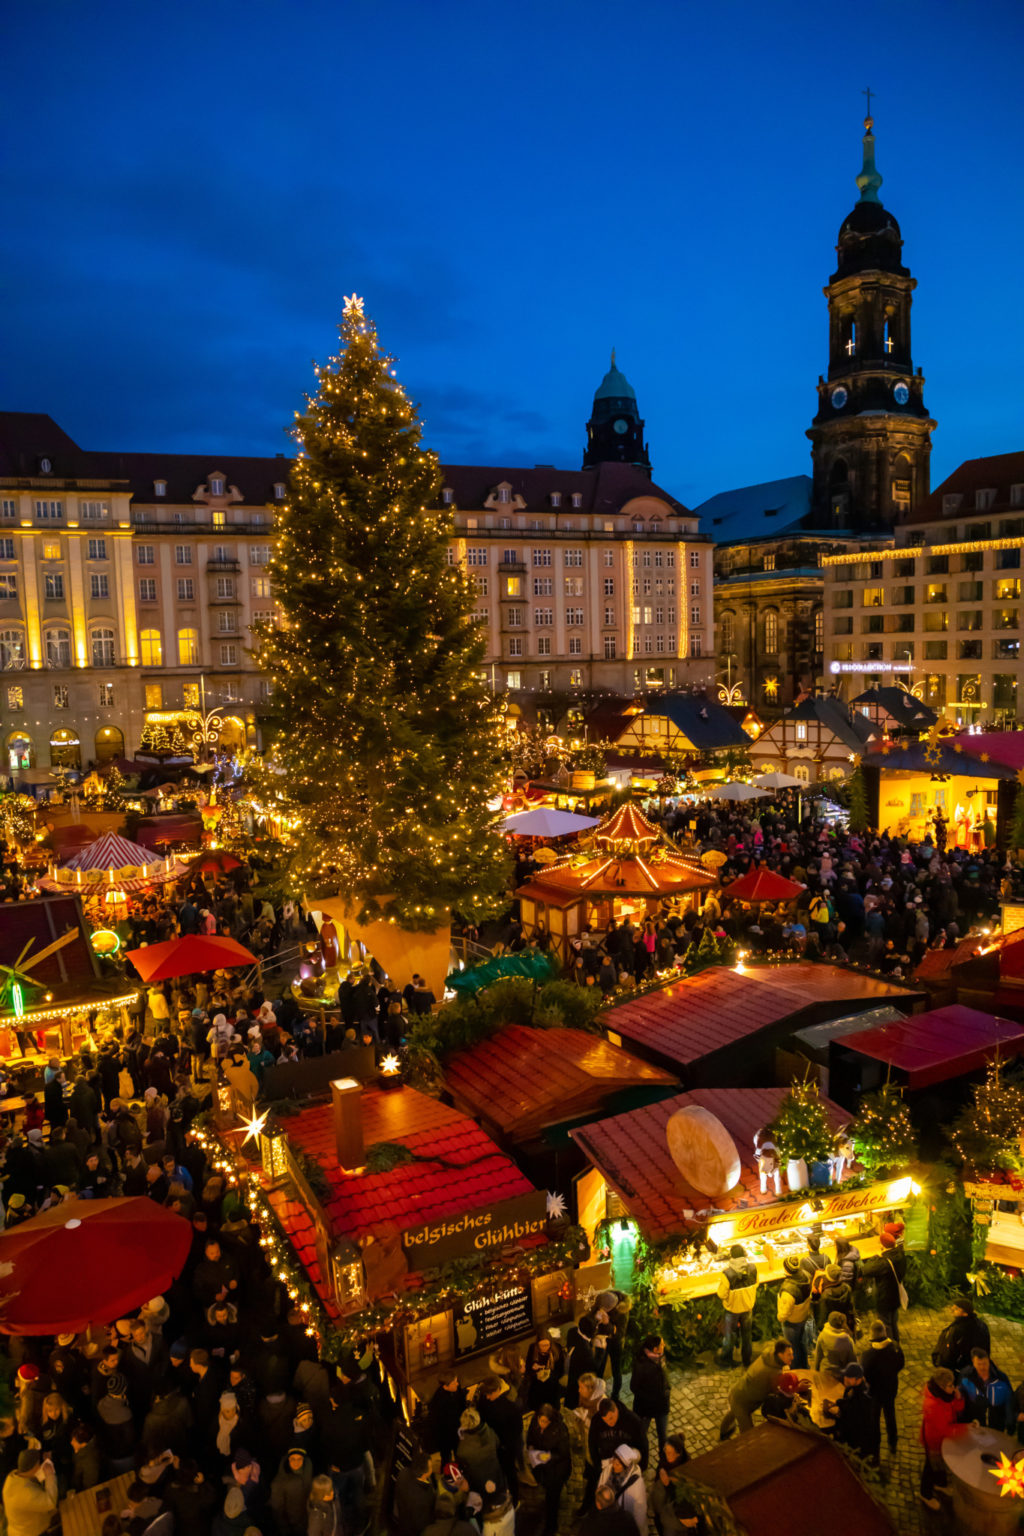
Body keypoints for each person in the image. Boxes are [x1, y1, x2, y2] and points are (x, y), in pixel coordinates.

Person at [719, 1339, 794, 1438]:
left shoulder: (769, 1355)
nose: (792, 1357)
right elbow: (779, 1391)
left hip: (738, 1391)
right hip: (743, 1403)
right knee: (748, 1435)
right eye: (789, 1355)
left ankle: (723, 1432)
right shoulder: (772, 1372)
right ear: (780, 1354)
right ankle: (726, 1436)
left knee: (733, 1410)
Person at [919, 1368, 963, 1511]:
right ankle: (925, 1494)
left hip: (942, 1440)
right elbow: (944, 1429)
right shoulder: (933, 1405)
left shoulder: (945, 1396)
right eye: (951, 1386)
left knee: (939, 1464)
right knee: (930, 1467)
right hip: (934, 1441)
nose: (953, 1387)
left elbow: (955, 1408)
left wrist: (958, 1399)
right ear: (941, 1387)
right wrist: (965, 1430)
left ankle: (940, 1484)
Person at [525, 1402, 571, 1536]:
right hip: (542, 1468)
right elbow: (530, 1437)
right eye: (540, 1420)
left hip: (556, 1471)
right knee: (546, 1489)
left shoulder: (560, 1430)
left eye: (545, 1422)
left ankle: (552, 1525)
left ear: (551, 1421)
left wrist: (548, 1456)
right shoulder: (535, 1422)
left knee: (553, 1498)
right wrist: (531, 1448)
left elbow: (563, 1453)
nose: (541, 1424)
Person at [860, 1320, 904, 1455]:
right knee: (890, 1415)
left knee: (874, 1420)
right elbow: (901, 1364)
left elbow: (865, 1375)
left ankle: (875, 1449)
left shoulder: (867, 1355)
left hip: (875, 1393)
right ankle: (893, 1443)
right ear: (884, 1332)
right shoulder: (895, 1348)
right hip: (890, 1389)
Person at [715, 1245, 757, 1369]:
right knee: (747, 1335)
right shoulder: (753, 1269)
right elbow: (756, 1284)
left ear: (732, 1256)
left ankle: (726, 1360)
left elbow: (722, 1294)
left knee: (730, 1335)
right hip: (748, 1308)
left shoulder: (727, 1274)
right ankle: (747, 1360)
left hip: (732, 1310)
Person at [824, 1364, 876, 1462]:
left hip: (855, 1438)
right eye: (846, 1376)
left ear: (858, 1379)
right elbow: (849, 1400)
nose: (846, 1378)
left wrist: (837, 1431)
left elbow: (853, 1418)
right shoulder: (854, 1388)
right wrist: (837, 1402)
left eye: (849, 1377)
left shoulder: (864, 1398)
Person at [862, 1230, 907, 1344]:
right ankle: (897, 1341)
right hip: (896, 1294)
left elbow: (865, 1270)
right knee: (893, 1320)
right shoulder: (900, 1254)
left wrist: (876, 1256)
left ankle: (891, 1346)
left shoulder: (883, 1262)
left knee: (886, 1323)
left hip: (884, 1297)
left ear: (883, 1245)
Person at [628, 1335, 671, 1454]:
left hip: (662, 1406)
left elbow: (664, 1376)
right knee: (641, 1435)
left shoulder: (660, 1357)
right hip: (645, 1408)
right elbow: (634, 1387)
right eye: (662, 1345)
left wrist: (667, 1389)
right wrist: (651, 1398)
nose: (664, 1346)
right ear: (655, 1349)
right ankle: (640, 1458)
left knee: (663, 1436)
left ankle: (664, 1461)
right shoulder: (641, 1365)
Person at [650, 1434, 699, 1534]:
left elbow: (680, 1496)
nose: (666, 1455)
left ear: (678, 1454)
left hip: (671, 1505)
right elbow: (660, 1467)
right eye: (665, 1451)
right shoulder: (664, 1457)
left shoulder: (686, 1468)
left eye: (669, 1453)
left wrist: (668, 1484)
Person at [2, 1449, 58, 1536]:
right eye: (39, 1464)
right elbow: (50, 1502)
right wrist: (50, 1475)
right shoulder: (26, 1494)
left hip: (17, 1529)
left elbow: (30, 1478)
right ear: (34, 1467)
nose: (40, 1467)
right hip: (31, 1532)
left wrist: (45, 1463)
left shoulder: (12, 1477)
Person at [960, 1349, 1016, 1434]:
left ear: (989, 1361)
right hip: (975, 1425)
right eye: (979, 1364)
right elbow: (962, 1399)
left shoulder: (1001, 1378)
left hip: (996, 1425)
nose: (982, 1367)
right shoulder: (965, 1377)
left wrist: (1010, 1424)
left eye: (985, 1364)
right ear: (973, 1362)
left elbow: (1009, 1401)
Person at [932, 1296, 991, 1375]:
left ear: (965, 1313)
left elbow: (951, 1350)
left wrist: (941, 1363)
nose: (952, 1309)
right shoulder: (981, 1324)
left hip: (961, 1368)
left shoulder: (959, 1330)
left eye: (956, 1309)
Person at [598, 1446, 646, 1536]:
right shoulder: (608, 1469)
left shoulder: (636, 1484)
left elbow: (640, 1511)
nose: (614, 1465)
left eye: (618, 1464)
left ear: (625, 1467)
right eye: (614, 1460)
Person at [776, 1257, 813, 1369]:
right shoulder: (806, 1275)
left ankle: (796, 1369)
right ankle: (805, 1365)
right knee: (802, 1344)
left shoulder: (788, 1290)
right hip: (804, 1316)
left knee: (793, 1347)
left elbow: (784, 1313)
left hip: (792, 1322)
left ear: (786, 1270)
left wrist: (780, 1317)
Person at [523, 1332, 564, 1413]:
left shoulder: (557, 1348)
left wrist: (549, 1375)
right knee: (538, 1406)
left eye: (547, 1345)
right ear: (538, 1345)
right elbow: (528, 1369)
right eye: (542, 1345)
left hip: (552, 1383)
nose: (545, 1348)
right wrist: (534, 1370)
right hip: (537, 1383)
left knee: (554, 1408)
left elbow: (560, 1370)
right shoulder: (532, 1348)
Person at [813, 1311, 856, 1384]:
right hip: (841, 1376)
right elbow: (852, 1361)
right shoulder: (848, 1340)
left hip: (825, 1373)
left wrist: (816, 1372)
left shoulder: (823, 1335)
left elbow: (818, 1356)